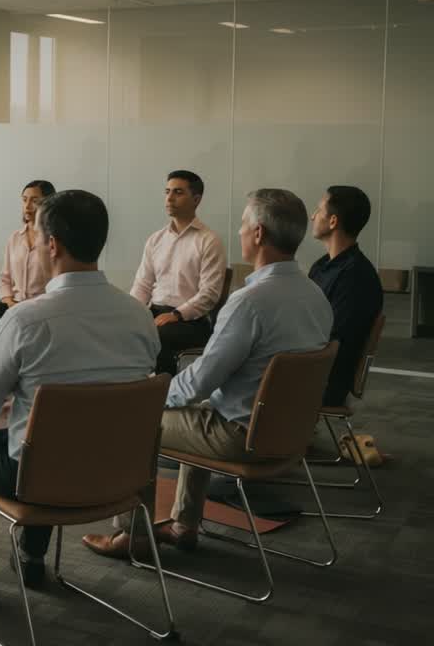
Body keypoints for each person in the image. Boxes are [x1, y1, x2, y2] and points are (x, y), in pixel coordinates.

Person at [0, 191, 158, 601]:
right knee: (48, 430)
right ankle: (30, 556)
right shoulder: (139, 316)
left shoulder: (26, 319)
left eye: (37, 240)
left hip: (37, 479)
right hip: (119, 474)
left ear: (53, 245)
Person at [85, 188, 331, 558]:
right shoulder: (316, 297)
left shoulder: (250, 303)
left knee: (138, 421)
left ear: (259, 234)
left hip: (242, 435)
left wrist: (149, 396)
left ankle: (131, 535)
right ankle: (184, 524)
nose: (241, 233)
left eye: (244, 226)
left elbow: (201, 379)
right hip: (287, 433)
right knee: (197, 409)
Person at [130, 170, 227, 375]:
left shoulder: (209, 240)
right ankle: (131, 392)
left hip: (190, 321)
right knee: (125, 329)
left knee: (157, 334)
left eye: (178, 192)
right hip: (155, 313)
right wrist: (133, 313)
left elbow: (209, 294)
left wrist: (176, 314)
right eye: (167, 192)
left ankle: (162, 394)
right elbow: (143, 284)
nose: (169, 198)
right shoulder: (155, 239)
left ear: (196, 199)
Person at [308, 186, 384, 409]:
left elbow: (334, 340)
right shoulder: (322, 266)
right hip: (310, 367)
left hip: (323, 379)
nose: (312, 216)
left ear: (333, 221)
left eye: (318, 210)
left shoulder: (356, 277)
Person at [0, 180, 55, 356]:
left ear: (48, 203)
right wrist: (8, 300)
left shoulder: (54, 240)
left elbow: (58, 279)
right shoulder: (15, 238)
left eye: (35, 201)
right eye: (24, 199)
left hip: (42, 305)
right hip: (14, 303)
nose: (27, 206)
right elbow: (5, 278)